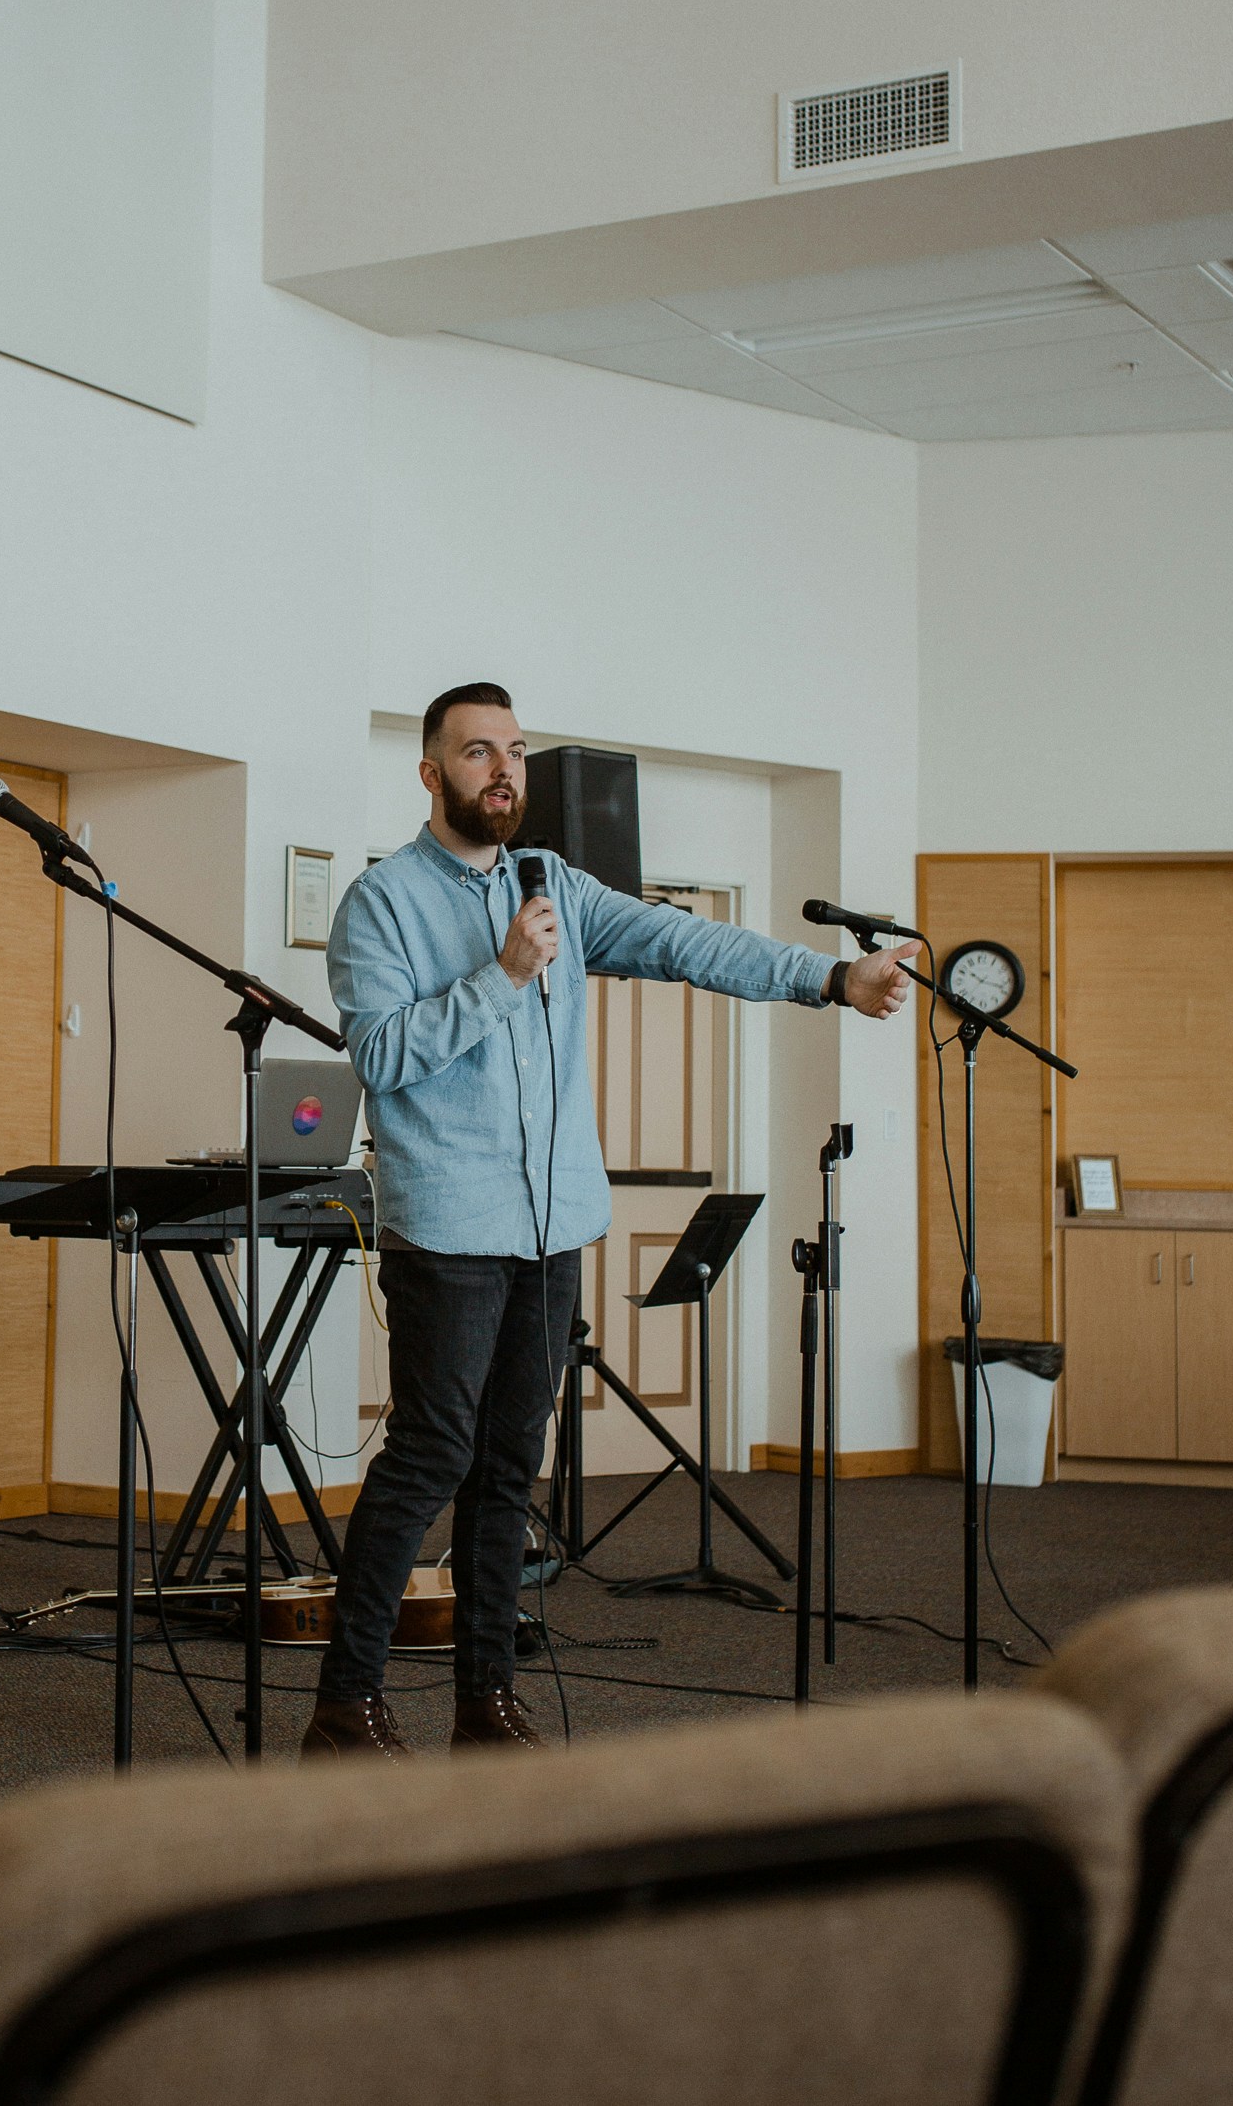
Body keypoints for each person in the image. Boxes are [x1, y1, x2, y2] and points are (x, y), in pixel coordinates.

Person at [302, 682, 913, 1761]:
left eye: (516, 752)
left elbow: (691, 948)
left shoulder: (557, 886)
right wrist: (503, 975)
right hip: (448, 1231)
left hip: (551, 1229)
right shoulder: (383, 901)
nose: (503, 770)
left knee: (509, 1471)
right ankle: (346, 1707)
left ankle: (483, 1702)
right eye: (478, 752)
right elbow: (383, 1059)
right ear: (431, 772)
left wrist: (829, 976)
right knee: (429, 1459)